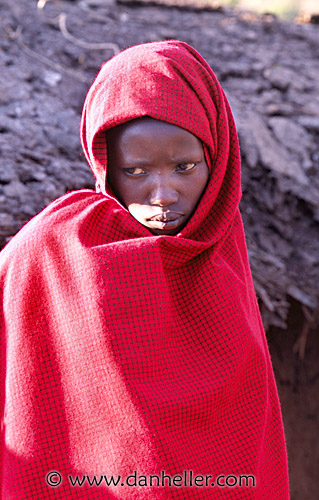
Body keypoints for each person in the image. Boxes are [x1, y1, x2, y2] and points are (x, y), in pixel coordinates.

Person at [0, 40, 289, 499]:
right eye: (135, 171)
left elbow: (244, 424)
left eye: (185, 166)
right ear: (105, 164)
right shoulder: (58, 249)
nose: (162, 194)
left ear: (217, 159)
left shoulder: (220, 242)